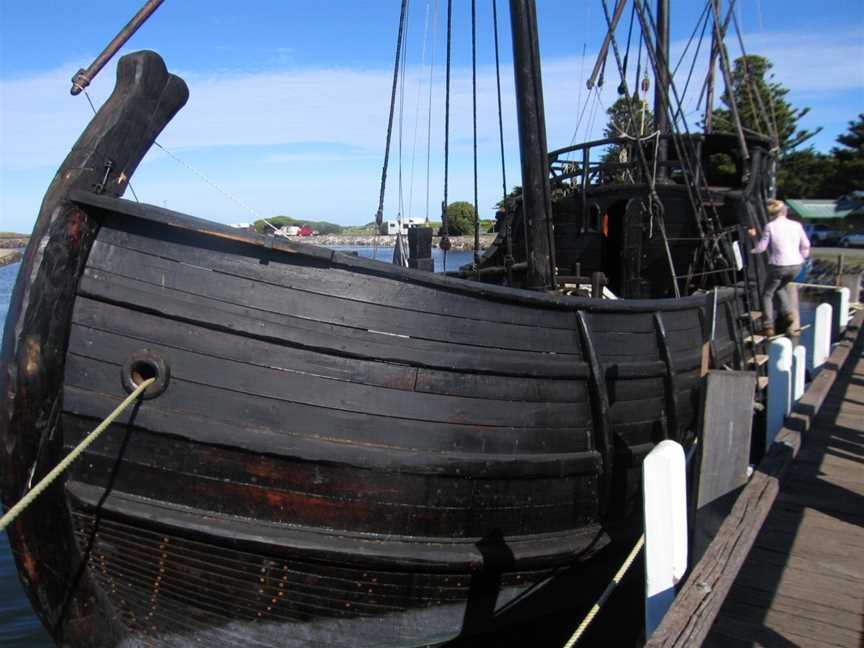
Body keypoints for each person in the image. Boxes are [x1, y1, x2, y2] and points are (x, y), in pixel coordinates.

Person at [749, 199, 811, 337]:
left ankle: (768, 326)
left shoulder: (770, 226)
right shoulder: (797, 225)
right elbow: (806, 245)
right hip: (796, 266)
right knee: (780, 287)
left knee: (767, 294)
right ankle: (788, 313)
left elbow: (761, 248)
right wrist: (802, 258)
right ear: (785, 212)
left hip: (778, 265)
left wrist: (751, 246)